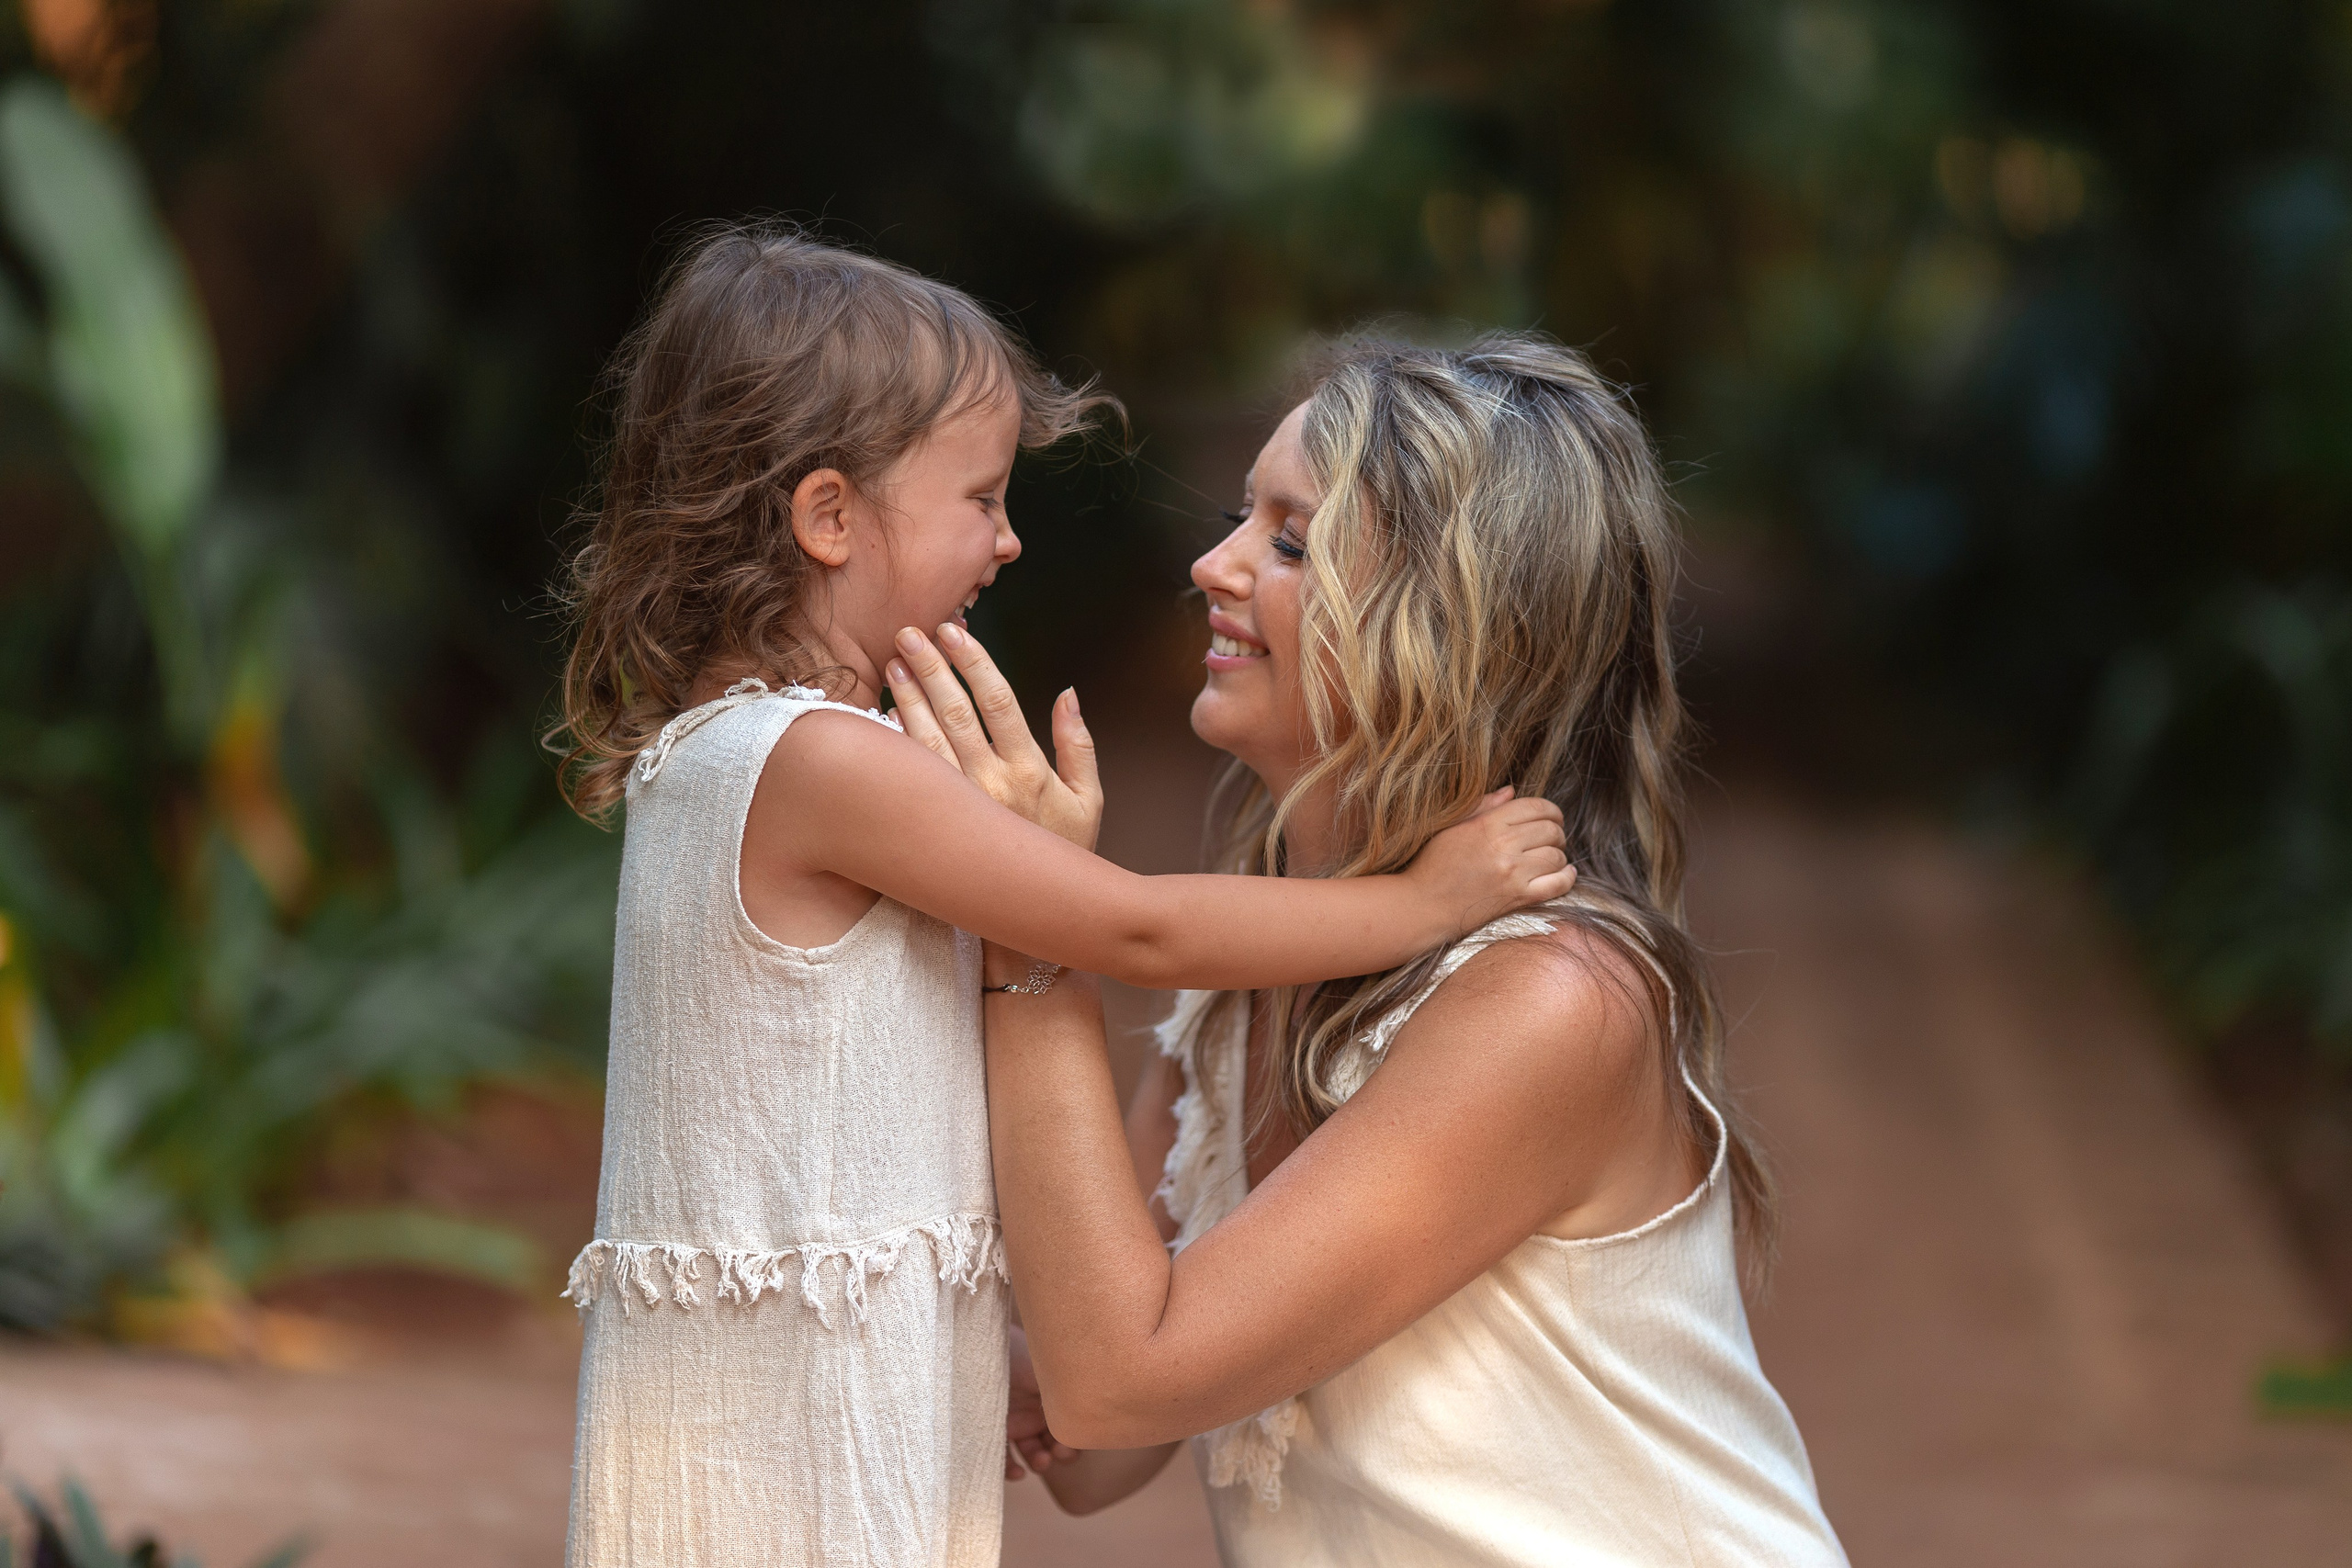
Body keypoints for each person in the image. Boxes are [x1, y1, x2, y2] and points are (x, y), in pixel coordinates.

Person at [548, 230, 1573, 1568]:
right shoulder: (822, 761)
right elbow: (1128, 923)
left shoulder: (725, 757)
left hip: (762, 1406)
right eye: (980, 496)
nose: (1012, 537)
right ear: (831, 519)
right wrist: (1429, 905)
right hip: (800, 1438)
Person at [895, 332, 1847, 1565]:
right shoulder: (1245, 973)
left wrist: (1030, 928)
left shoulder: (1553, 1000)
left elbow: (1122, 1382)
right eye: (1244, 518)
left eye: (1291, 543)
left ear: (1460, 629)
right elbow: (1101, 1440)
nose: (1213, 564)